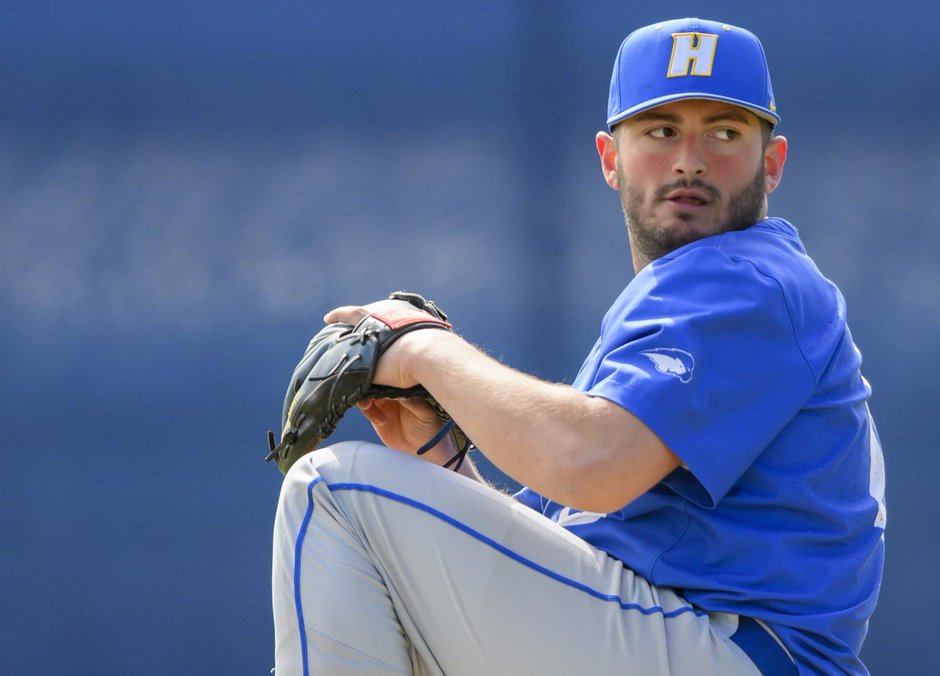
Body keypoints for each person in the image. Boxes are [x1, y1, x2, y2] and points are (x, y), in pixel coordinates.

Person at [272, 17, 886, 675]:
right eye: (661, 130)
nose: (690, 158)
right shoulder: (679, 310)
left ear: (772, 164)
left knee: (328, 493)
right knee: (396, 593)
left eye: (726, 132)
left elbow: (592, 463)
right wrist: (445, 460)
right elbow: (562, 551)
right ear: (610, 158)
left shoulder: (749, 279)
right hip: (683, 642)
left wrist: (424, 351)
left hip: (733, 651)